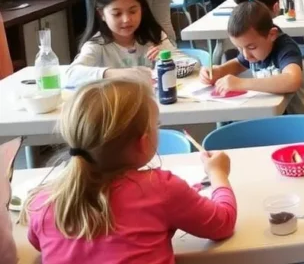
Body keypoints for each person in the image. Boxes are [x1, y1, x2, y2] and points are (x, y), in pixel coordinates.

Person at [25, 79, 236, 261]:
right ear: (143, 142)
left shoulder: (42, 201)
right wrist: (217, 173)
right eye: (157, 125)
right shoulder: (160, 188)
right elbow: (222, 223)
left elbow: (38, 244)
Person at [200, 0, 304, 115]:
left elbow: (292, 80)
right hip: (274, 118)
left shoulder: (285, 48)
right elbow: (238, 63)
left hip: (303, 123)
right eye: (239, 48)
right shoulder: (256, 49)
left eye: (251, 47)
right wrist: (218, 72)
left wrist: (240, 84)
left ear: (272, 35)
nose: (246, 55)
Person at [67, 0, 174, 87]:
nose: (126, 19)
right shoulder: (98, 45)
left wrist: (167, 60)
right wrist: (113, 74)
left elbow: (185, 64)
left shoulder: (153, 35)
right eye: (117, 14)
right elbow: (71, 75)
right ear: (102, 14)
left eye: (133, 11)